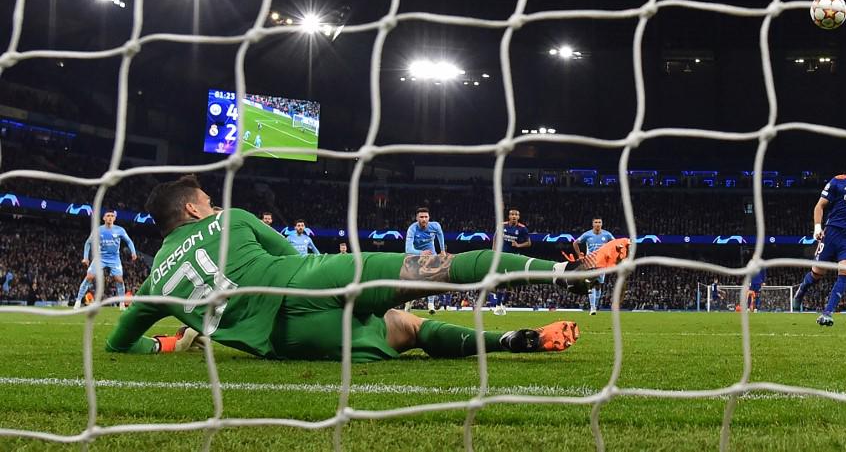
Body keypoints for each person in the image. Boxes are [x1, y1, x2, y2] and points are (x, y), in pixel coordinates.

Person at [104, 176, 630, 361]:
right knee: (437, 271)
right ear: (195, 209)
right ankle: (567, 273)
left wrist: (165, 343)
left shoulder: (154, 284)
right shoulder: (233, 219)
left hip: (292, 343)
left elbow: (117, 345)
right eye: (208, 201)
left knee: (408, 329)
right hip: (310, 279)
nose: (214, 206)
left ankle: (514, 340)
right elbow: (295, 259)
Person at [792, 153, 846, 326]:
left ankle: (827, 313)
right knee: (817, 273)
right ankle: (801, 291)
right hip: (832, 234)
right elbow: (820, 206)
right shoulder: (837, 181)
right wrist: (817, 227)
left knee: (845, 272)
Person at [74, 209, 138, 310]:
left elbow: (129, 241)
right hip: (100, 258)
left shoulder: (120, 230)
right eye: (108, 216)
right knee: (89, 277)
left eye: (112, 216)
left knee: (119, 280)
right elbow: (88, 243)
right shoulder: (98, 230)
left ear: (114, 218)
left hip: (114, 259)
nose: (110, 217)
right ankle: (78, 301)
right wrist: (85, 257)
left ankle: (122, 303)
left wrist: (133, 252)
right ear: (104, 218)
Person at [404, 208, 446, 314]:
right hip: (416, 252)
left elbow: (440, 235)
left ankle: (431, 304)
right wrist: (420, 253)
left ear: (429, 218)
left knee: (433, 276)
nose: (424, 219)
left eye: (426, 217)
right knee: (414, 279)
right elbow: (408, 249)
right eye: (421, 217)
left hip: (431, 252)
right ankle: (409, 301)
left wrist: (442, 250)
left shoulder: (435, 226)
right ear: (417, 218)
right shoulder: (412, 229)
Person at [573, 218, 615, 316]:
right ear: (592, 224)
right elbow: (575, 243)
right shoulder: (587, 234)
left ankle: (595, 305)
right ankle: (592, 308)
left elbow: (615, 244)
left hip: (602, 263)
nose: (597, 224)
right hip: (590, 262)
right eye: (596, 222)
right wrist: (579, 255)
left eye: (599, 222)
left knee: (598, 285)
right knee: (590, 284)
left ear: (602, 224)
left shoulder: (607, 234)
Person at [494, 208, 530, 316]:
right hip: (502, 256)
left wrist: (518, 245)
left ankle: (504, 304)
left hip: (514, 258)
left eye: (516, 215)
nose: (514, 216)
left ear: (518, 217)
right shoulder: (502, 225)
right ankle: (497, 305)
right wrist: (493, 251)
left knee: (511, 283)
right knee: (501, 280)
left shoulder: (522, 229)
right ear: (509, 216)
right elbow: (495, 238)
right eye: (512, 214)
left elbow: (529, 243)